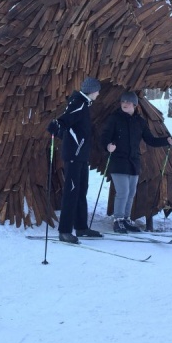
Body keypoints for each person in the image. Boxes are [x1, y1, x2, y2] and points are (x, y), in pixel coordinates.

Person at [100, 92, 172, 234]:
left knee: (131, 193)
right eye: (123, 101)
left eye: (128, 102)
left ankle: (126, 220)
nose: (125, 103)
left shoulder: (140, 122)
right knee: (122, 192)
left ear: (135, 105)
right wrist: (108, 146)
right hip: (118, 161)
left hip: (133, 162)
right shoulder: (114, 119)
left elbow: (150, 140)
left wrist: (166, 140)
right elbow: (104, 137)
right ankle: (118, 220)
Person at [47, 77, 104, 244]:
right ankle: (64, 231)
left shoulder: (84, 104)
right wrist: (56, 126)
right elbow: (65, 119)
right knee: (71, 193)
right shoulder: (78, 103)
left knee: (81, 191)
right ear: (92, 91)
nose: (99, 94)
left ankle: (81, 227)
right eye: (98, 91)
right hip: (73, 156)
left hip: (80, 156)